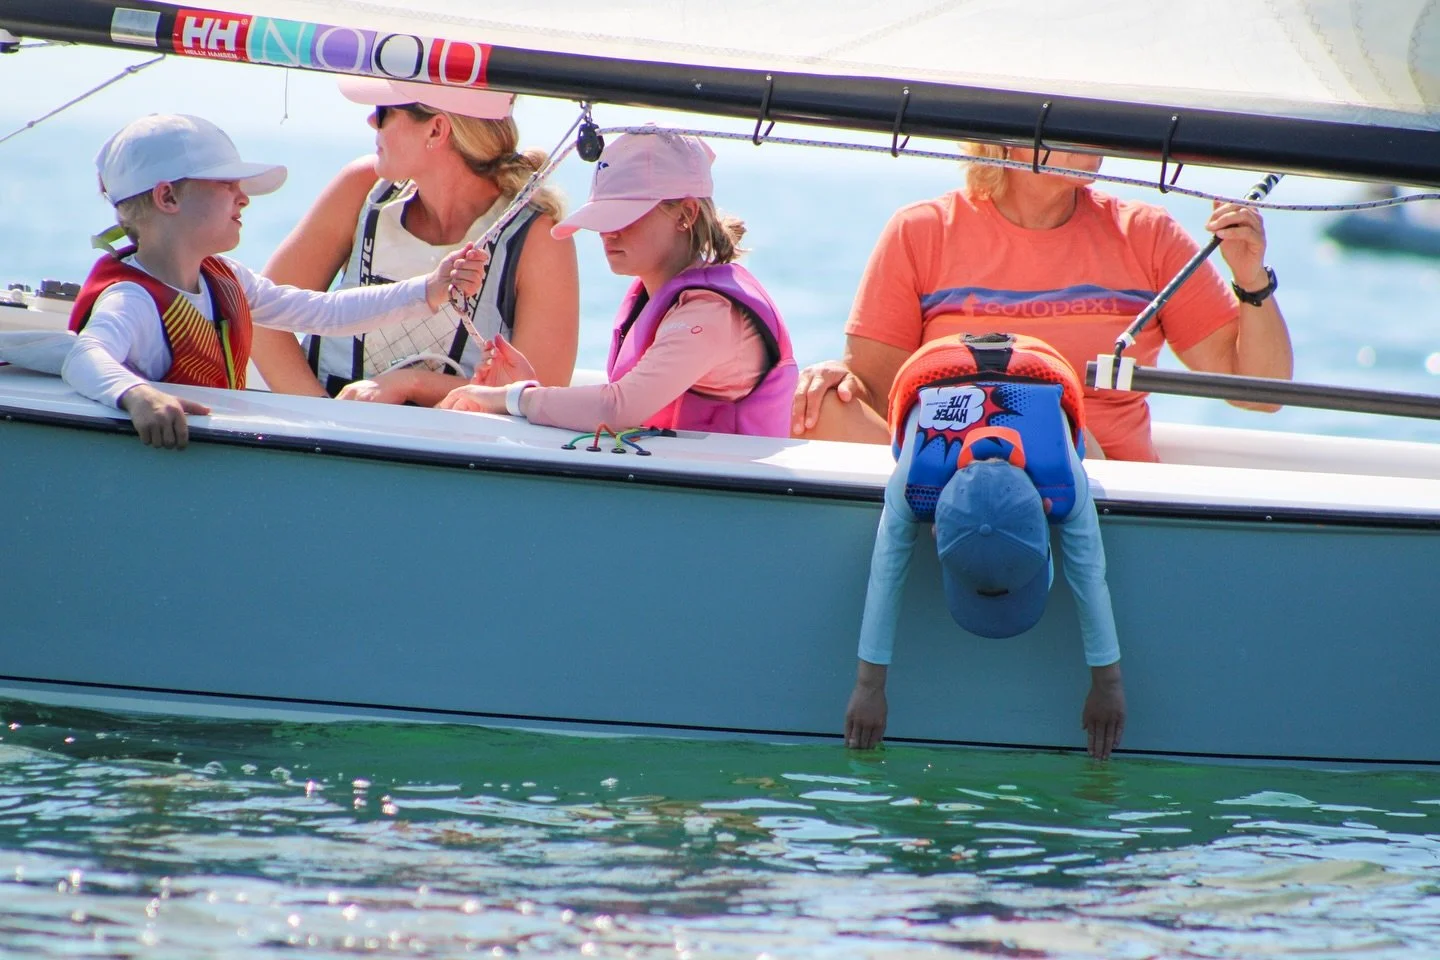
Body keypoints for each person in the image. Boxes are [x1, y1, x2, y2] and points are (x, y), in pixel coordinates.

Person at [793, 144, 1294, 461]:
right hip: (954, 482)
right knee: (819, 412)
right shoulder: (920, 231)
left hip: (1102, 500)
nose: (1097, 130)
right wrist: (833, 379)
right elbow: (880, 397)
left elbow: (1261, 392)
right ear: (1005, 134)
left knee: (1052, 426)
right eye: (1075, 113)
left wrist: (1250, 279)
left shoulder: (1147, 234)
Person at [64, 114, 487, 449]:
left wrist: (429, 289)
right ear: (168, 198)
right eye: (226, 185)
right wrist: (138, 396)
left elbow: (324, 312)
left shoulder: (226, 280)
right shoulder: (131, 298)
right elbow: (85, 357)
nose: (243, 197)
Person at [842, 332, 1125, 760]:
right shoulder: (911, 484)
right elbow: (1089, 575)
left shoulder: (1066, 477)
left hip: (1037, 360)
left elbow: (886, 573)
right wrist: (1107, 684)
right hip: (940, 366)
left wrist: (871, 687)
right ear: (935, 526)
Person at [435, 128, 798, 438]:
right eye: (603, 217)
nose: (607, 233)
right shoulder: (656, 297)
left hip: (731, 508)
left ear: (685, 214)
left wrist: (514, 398)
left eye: (626, 217)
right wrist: (531, 392)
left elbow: (617, 408)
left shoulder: (711, 313)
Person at [249, 77, 579, 404]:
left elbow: (540, 391)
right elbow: (260, 316)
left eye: (384, 112)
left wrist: (411, 384)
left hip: (457, 452)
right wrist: (326, 418)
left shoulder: (538, 233)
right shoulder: (362, 187)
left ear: (436, 130)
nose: (370, 121)